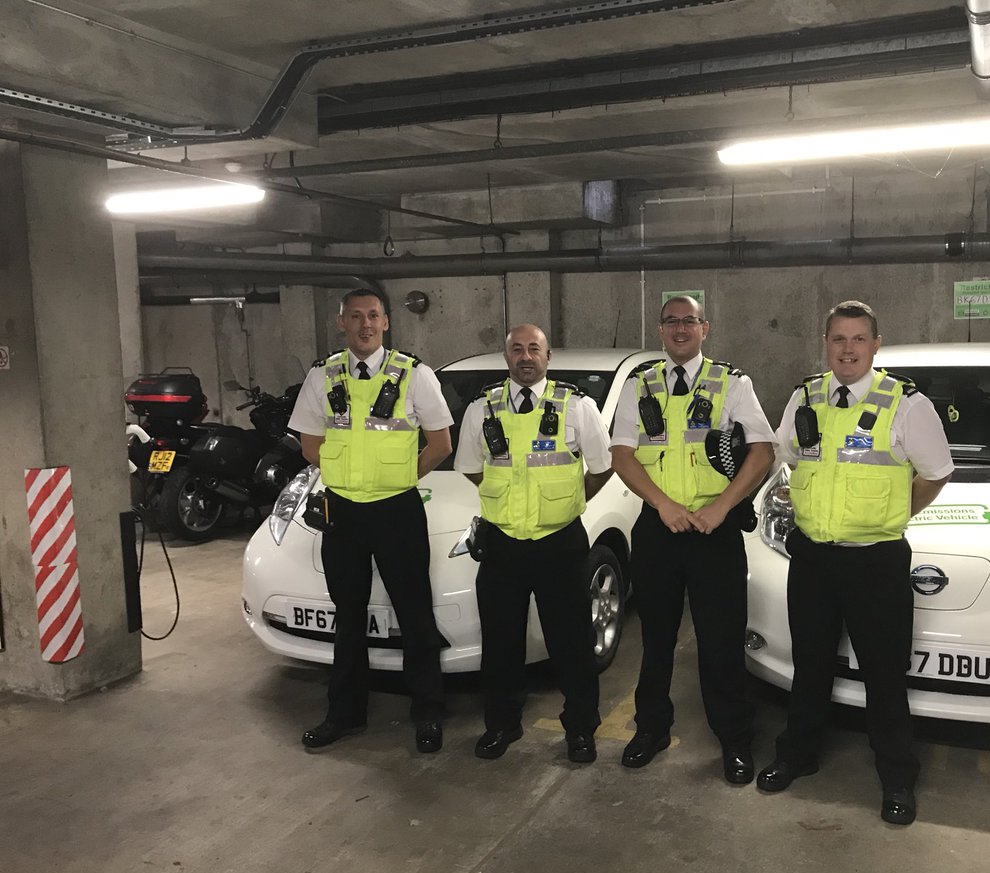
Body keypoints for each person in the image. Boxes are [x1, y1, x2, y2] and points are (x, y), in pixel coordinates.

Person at [757, 299, 953, 826]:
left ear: (875, 345)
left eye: (858, 339)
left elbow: (935, 472)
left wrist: (891, 515)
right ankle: (797, 755)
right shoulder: (806, 395)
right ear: (827, 344)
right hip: (813, 559)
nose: (848, 349)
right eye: (839, 339)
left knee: (884, 675)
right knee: (811, 666)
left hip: (876, 563)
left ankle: (897, 777)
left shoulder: (906, 404)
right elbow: (791, 458)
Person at [609, 295, 775, 784]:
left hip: (714, 530)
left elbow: (763, 450)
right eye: (671, 322)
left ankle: (735, 741)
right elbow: (623, 454)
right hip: (659, 527)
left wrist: (720, 508)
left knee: (721, 642)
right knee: (655, 638)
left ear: (706, 328)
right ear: (660, 331)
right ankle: (651, 730)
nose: (681, 329)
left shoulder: (732, 383)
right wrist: (664, 505)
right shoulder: (641, 385)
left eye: (690, 321)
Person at [288, 288, 453, 753]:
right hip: (342, 511)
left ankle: (427, 713)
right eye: (355, 316)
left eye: (373, 316)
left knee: (415, 615)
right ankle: (344, 715)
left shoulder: (414, 375)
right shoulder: (323, 376)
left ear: (386, 323)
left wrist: (397, 478)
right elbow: (309, 446)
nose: (365, 325)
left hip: (396, 510)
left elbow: (440, 443)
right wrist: (350, 476)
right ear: (341, 322)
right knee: (348, 617)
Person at [455, 324, 612, 763]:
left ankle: (581, 729)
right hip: (502, 543)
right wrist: (504, 501)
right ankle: (501, 725)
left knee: (572, 643)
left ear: (548, 356)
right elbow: (471, 467)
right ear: (506, 356)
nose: (526, 357)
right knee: (501, 642)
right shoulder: (481, 408)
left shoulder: (577, 406)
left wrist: (567, 501)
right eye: (517, 349)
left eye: (534, 349)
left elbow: (602, 466)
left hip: (560, 543)